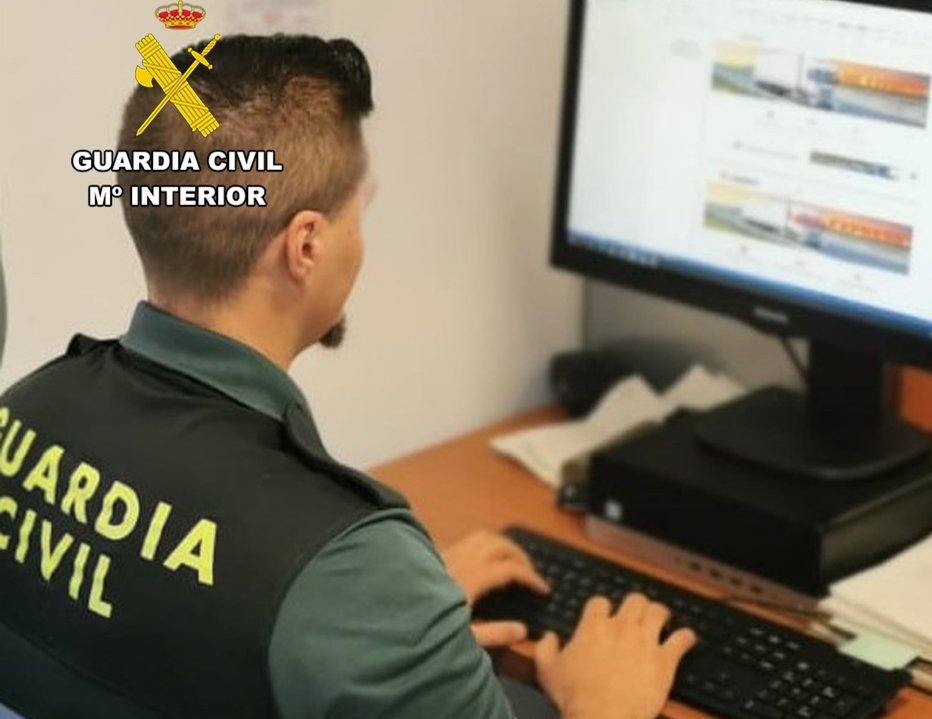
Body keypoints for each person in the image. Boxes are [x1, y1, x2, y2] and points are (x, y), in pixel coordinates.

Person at [0, 35, 695, 719]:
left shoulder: (24, 409)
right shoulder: (351, 567)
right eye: (359, 206)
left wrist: (382, 629)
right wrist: (606, 705)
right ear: (306, 245)